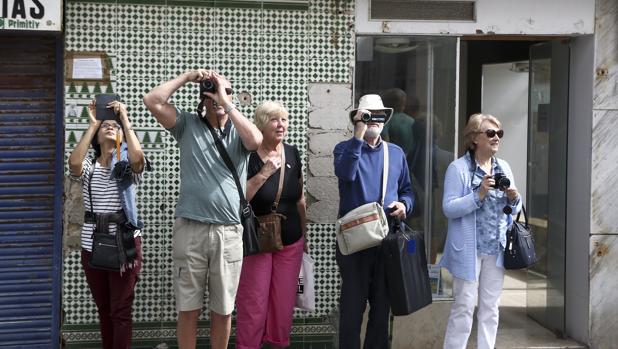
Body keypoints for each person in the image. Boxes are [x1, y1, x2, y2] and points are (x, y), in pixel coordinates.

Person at [143, 69, 262, 349]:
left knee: (223, 309)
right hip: (191, 230)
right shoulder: (187, 125)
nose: (221, 96)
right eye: (214, 92)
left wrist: (225, 99)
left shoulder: (239, 131)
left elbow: (256, 142)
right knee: (188, 308)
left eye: (228, 91)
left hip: (229, 232)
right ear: (204, 98)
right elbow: (152, 100)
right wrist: (186, 77)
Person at [333, 94, 414, 348]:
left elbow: (408, 191)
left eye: (379, 116)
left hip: (386, 241)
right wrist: (358, 133)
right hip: (354, 244)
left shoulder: (396, 153)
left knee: (381, 310)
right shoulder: (344, 149)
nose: (374, 120)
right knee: (351, 310)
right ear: (357, 118)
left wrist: (405, 205)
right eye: (368, 115)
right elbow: (346, 173)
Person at [68, 99, 146, 349]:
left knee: (120, 310)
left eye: (115, 126)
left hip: (124, 244)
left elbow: (139, 160)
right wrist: (92, 124)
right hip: (93, 244)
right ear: (96, 137)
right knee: (104, 309)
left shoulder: (125, 166)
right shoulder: (89, 167)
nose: (109, 127)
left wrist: (125, 120)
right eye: (105, 126)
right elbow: (74, 164)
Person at [439, 113, 522, 349]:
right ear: (474, 138)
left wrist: (515, 197)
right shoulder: (458, 169)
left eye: (499, 134)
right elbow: (449, 208)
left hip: (496, 249)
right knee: (464, 307)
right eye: (490, 133)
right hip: (469, 249)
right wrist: (479, 195)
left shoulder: (503, 167)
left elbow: (514, 209)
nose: (497, 138)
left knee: (490, 308)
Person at [235, 101, 307, 349]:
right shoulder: (248, 156)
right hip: (256, 243)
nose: (281, 125)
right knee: (253, 304)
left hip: (291, 241)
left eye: (284, 119)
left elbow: (300, 199)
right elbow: (239, 197)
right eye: (275, 120)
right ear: (261, 125)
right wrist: (265, 172)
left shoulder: (293, 152)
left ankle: (278, 344)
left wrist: (304, 238)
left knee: (283, 305)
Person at [380, 88, 417, 157]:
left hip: (392, 157)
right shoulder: (412, 121)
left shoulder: (386, 120)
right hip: (410, 159)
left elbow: (385, 141)